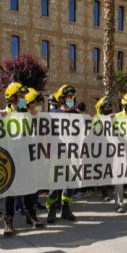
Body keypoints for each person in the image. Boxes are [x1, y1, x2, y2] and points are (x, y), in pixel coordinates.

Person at [0, 82, 44, 236]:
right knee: (10, 190)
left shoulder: (28, 114)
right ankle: (8, 221)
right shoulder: (3, 114)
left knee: (29, 186)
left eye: (24, 97)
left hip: (26, 155)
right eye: (20, 96)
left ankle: (30, 215)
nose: (23, 99)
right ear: (11, 98)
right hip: (10, 157)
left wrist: (35, 118)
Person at [46, 84, 78, 223]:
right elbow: (47, 134)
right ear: (62, 99)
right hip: (56, 153)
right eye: (68, 97)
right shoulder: (54, 115)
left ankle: (66, 209)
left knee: (70, 184)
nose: (71, 99)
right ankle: (52, 210)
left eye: (72, 97)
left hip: (72, 155)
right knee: (54, 185)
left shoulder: (77, 115)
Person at [94, 96, 114, 201]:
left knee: (108, 170)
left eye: (109, 107)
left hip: (110, 149)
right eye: (106, 107)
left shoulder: (112, 118)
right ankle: (104, 192)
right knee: (102, 170)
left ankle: (108, 187)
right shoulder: (97, 119)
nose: (108, 109)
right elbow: (97, 132)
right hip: (100, 149)